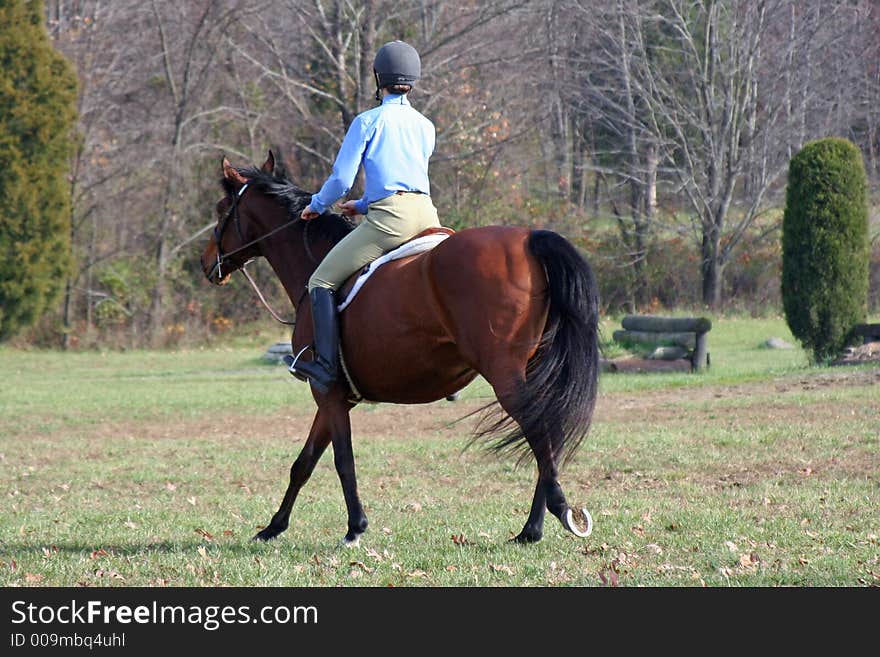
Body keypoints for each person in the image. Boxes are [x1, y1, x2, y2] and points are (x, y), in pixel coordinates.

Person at [291, 40, 441, 394]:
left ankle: (326, 367)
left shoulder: (367, 121)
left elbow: (341, 180)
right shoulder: (426, 125)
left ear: (379, 78)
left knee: (321, 282)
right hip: (427, 213)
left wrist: (317, 204)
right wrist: (360, 207)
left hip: (392, 219)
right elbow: (407, 178)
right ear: (413, 80)